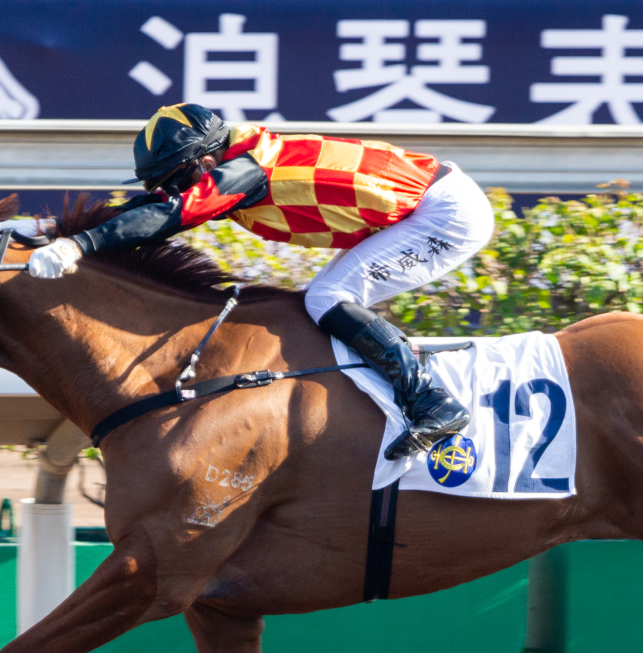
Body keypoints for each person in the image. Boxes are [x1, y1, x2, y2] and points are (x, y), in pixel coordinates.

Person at [25, 104, 485, 460]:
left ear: (206, 161)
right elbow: (156, 210)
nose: (174, 192)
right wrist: (50, 230)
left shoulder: (246, 172)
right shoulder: (235, 163)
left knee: (327, 298)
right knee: (321, 299)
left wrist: (79, 245)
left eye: (176, 181)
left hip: (444, 214)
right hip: (425, 205)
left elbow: (171, 216)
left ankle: (432, 402)